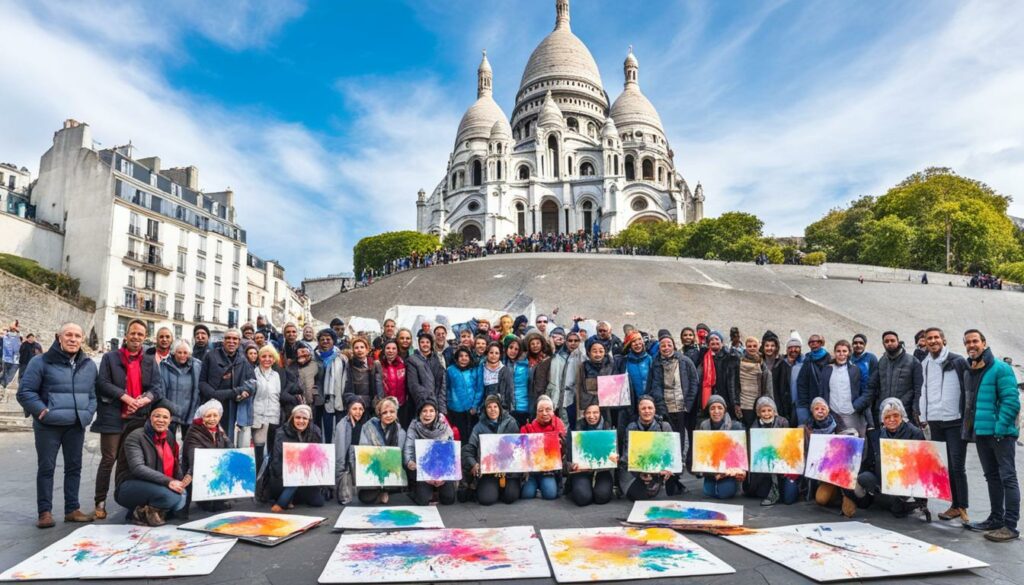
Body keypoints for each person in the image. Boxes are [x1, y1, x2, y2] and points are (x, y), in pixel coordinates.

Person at [17, 322, 97, 528]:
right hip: (48, 426)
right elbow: (25, 392)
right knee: (47, 468)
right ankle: (44, 512)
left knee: (74, 468)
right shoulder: (40, 361)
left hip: (76, 425)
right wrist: (42, 411)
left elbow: (92, 395)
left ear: (82, 340)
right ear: (58, 338)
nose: (73, 339)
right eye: (68, 335)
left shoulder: (88, 365)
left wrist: (87, 414)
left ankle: (72, 509)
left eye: (77, 336)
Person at [92, 318, 163, 521]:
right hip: (113, 416)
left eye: (140, 334)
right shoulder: (110, 357)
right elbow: (103, 383)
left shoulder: (150, 360)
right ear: (126, 335)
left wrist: (143, 400)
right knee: (108, 459)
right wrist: (126, 398)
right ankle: (100, 501)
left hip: (139, 417)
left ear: (145, 338)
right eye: (133, 333)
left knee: (132, 462)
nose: (136, 337)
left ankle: (129, 502)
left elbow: (157, 388)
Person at [961, 329, 1020, 542]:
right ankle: (996, 518)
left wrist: (1000, 428)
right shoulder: (971, 370)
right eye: (968, 342)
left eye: (975, 341)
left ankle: (1011, 525)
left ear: (984, 343)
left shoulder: (1001, 368)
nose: (971, 345)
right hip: (982, 432)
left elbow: (1011, 401)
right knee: (992, 477)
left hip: (1000, 434)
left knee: (1008, 478)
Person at [846, 398, 928, 520]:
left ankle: (903, 503)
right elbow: (870, 461)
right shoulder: (877, 435)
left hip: (906, 481)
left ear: (902, 415)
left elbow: (923, 465)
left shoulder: (915, 433)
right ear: (882, 420)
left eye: (895, 415)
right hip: (884, 479)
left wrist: (922, 497)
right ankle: (890, 501)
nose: (892, 420)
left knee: (896, 509)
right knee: (864, 477)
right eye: (887, 417)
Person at [918, 327, 970, 523]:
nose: (932, 341)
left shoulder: (958, 361)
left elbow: (968, 390)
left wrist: (966, 416)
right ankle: (954, 505)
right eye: (928, 338)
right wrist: (923, 415)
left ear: (943, 340)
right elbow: (924, 390)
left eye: (936, 337)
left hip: (955, 421)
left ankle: (962, 506)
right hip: (935, 420)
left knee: (957, 465)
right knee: (945, 465)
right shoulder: (925, 363)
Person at [113, 400, 189, 526]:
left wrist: (181, 482)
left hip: (155, 482)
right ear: (150, 418)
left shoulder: (169, 435)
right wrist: (169, 481)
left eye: (165, 417)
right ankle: (139, 512)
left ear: (170, 421)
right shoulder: (136, 436)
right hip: (129, 484)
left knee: (182, 497)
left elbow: (174, 463)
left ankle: (151, 510)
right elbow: (138, 468)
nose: (161, 420)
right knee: (171, 497)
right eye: (157, 416)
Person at [647, 330, 696, 495]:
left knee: (680, 444)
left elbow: (694, 382)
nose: (666, 347)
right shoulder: (655, 363)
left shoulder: (685, 361)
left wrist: (688, 404)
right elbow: (654, 385)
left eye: (669, 344)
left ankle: (675, 480)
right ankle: (669, 481)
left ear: (674, 346)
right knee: (667, 445)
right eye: (662, 345)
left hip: (681, 408)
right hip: (664, 409)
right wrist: (660, 407)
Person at [199, 328, 255, 443]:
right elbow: (202, 382)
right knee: (208, 437)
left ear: (239, 341)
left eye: (235, 339)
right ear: (223, 340)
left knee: (226, 439)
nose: (231, 341)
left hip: (232, 406)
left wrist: (244, 392)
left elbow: (253, 382)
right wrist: (213, 394)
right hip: (211, 403)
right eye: (228, 338)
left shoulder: (243, 359)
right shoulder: (211, 356)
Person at [463, 394, 521, 505]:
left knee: (510, 497)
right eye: (489, 407)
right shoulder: (479, 427)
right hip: (489, 472)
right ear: (485, 409)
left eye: (495, 406)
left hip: (508, 471)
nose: (492, 410)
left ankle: (502, 488)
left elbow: (519, 447)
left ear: (500, 408)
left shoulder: (511, 423)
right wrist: (473, 464)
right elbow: (469, 449)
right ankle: (490, 488)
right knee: (486, 500)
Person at [268, 404, 326, 512]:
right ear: (292, 418)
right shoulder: (281, 433)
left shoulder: (315, 432)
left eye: (305, 418)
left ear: (309, 420)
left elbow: (319, 457)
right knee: (292, 483)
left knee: (318, 502)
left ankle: (293, 497)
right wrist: (289, 474)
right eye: (298, 417)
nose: (301, 421)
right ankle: (283, 501)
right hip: (284, 476)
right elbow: (276, 460)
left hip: (307, 475)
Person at [803, 397, 855, 515]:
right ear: (812, 411)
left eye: (823, 408)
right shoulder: (807, 426)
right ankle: (835, 495)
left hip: (840, 470)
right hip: (822, 471)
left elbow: (848, 447)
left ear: (828, 411)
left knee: (849, 509)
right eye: (817, 409)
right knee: (821, 499)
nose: (820, 411)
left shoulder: (837, 423)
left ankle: (845, 495)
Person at [743, 397, 799, 506]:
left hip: (783, 465)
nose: (766, 414)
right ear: (758, 413)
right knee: (760, 492)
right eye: (763, 411)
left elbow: (789, 445)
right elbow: (754, 453)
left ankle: (793, 487)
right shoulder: (754, 427)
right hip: (765, 468)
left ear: (774, 411)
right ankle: (774, 489)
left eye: (769, 410)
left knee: (789, 498)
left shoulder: (783, 422)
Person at [181, 399, 233, 516]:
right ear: (202, 417)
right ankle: (204, 500)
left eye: (215, 415)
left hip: (213, 468)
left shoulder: (218, 430)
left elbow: (230, 446)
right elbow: (195, 459)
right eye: (208, 416)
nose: (212, 419)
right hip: (196, 470)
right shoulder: (194, 432)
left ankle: (216, 501)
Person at [251, 345, 300, 466]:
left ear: (274, 359)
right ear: (259, 358)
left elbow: (278, 395)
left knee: (272, 448)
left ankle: (268, 476)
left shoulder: (276, 375)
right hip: (257, 416)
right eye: (264, 356)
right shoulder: (253, 373)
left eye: (270, 357)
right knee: (259, 448)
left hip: (273, 415)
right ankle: (258, 478)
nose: (267, 359)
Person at [619, 395, 675, 501]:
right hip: (635, 470)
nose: (647, 411)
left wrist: (665, 469)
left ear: (655, 410)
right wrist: (641, 473)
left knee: (654, 494)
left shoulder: (664, 426)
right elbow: (628, 456)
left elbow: (671, 451)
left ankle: (658, 482)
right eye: (643, 408)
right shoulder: (632, 427)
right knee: (638, 496)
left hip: (659, 468)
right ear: (638, 411)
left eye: (650, 408)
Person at [404, 398, 457, 505]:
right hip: (421, 469)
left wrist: (444, 475)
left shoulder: (444, 427)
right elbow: (408, 449)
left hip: (441, 469)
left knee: (449, 499)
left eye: (431, 411)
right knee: (423, 500)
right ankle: (415, 490)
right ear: (419, 413)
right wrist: (410, 462)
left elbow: (451, 452)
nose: (428, 414)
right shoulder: (414, 426)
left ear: (436, 413)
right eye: (424, 411)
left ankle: (435, 490)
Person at [866, 331, 923, 427]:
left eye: (892, 340)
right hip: (886, 412)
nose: (889, 343)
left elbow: (918, 388)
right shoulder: (882, 361)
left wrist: (916, 408)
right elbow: (875, 386)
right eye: (886, 341)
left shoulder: (913, 361)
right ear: (883, 344)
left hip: (905, 411)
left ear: (898, 341)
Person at [356, 397, 407, 504]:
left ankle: (386, 491)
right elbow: (364, 451)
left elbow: (399, 456)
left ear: (396, 413)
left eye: (392, 412)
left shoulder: (400, 432)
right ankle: (381, 492)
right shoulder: (368, 427)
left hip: (390, 472)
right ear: (380, 414)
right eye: (385, 412)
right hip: (374, 469)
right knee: (364, 497)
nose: (389, 415)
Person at [566, 404, 617, 506]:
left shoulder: (608, 430)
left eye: (595, 412)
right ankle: (577, 487)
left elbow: (615, 457)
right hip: (581, 471)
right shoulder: (576, 430)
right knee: (583, 499)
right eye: (588, 413)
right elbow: (567, 458)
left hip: (603, 471)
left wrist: (614, 459)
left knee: (601, 497)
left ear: (600, 414)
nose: (591, 416)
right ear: (584, 414)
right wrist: (571, 465)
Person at [816, 340, 870, 437]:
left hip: (850, 412)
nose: (841, 354)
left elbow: (865, 390)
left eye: (844, 351)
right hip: (833, 412)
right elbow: (822, 390)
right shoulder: (827, 369)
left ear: (849, 352)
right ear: (834, 352)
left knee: (852, 441)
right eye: (838, 351)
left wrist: (856, 405)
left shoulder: (855, 369)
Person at [698, 395, 746, 499]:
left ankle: (734, 484)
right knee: (709, 492)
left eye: (720, 408)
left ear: (724, 410)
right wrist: (713, 474)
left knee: (724, 494)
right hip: (711, 469)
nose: (716, 411)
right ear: (708, 411)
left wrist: (729, 473)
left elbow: (740, 455)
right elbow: (701, 454)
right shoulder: (703, 426)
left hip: (730, 471)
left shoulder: (735, 426)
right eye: (712, 408)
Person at [519, 396, 566, 500]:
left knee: (550, 495)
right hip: (532, 471)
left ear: (553, 411)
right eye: (540, 410)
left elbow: (563, 453)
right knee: (526, 495)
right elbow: (521, 451)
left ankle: (543, 484)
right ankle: (534, 483)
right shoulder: (528, 428)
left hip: (548, 471)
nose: (544, 413)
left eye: (548, 410)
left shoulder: (559, 425)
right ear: (536, 412)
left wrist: (561, 446)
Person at [159, 339, 201, 442]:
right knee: (168, 442)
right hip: (169, 410)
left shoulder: (197, 366)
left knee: (189, 442)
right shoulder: (164, 365)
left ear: (189, 353)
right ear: (174, 352)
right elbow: (161, 389)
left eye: (185, 352)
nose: (182, 355)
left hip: (190, 411)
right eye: (179, 352)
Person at [333, 395, 367, 505]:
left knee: (364, 496)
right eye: (355, 409)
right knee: (345, 499)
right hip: (347, 463)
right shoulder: (342, 426)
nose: (358, 412)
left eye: (361, 409)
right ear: (349, 409)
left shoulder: (366, 424)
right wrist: (340, 473)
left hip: (360, 459)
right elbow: (340, 453)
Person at [446, 347, 482, 443]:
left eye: (466, 356)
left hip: (472, 409)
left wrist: (475, 406)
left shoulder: (475, 369)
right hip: (455, 409)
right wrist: (449, 404)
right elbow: (446, 388)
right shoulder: (450, 370)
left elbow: (479, 388)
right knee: (459, 436)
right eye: (461, 356)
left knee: (471, 435)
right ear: (457, 358)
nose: (464, 358)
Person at [735, 336, 773, 428]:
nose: (752, 348)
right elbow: (735, 383)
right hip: (745, 402)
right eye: (749, 346)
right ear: (745, 347)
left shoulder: (762, 363)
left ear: (759, 346)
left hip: (759, 401)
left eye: (754, 346)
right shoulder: (738, 362)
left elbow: (767, 384)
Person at [406, 332, 447, 416]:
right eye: (422, 342)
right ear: (419, 344)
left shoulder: (436, 359)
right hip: (421, 403)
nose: (425, 344)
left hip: (437, 402)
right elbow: (413, 385)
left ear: (431, 344)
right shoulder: (412, 360)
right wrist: (428, 401)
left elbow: (441, 383)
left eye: (427, 342)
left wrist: (440, 403)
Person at [796, 333, 830, 428]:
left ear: (821, 343)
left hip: (828, 402)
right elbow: (801, 383)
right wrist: (804, 404)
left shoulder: (829, 359)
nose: (814, 344)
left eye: (817, 342)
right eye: (811, 342)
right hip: (811, 402)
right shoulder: (807, 361)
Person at [763, 332, 795, 426]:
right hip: (763, 402)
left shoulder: (782, 364)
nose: (769, 348)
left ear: (776, 347)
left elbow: (786, 388)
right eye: (767, 345)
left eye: (772, 345)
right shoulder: (759, 363)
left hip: (779, 403)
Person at [289, 343, 323, 414]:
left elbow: (320, 382)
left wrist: (317, 396)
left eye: (304, 352)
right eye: (299, 353)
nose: (302, 355)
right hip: (297, 405)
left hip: (314, 404)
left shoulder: (317, 365)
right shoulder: (291, 368)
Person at [504, 338, 531, 425]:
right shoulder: (503, 362)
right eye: (511, 347)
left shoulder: (526, 364)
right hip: (509, 406)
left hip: (524, 406)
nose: (513, 351)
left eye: (516, 349)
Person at [344, 337, 376, 402]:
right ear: (353, 350)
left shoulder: (373, 364)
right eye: (356, 348)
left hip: (370, 401)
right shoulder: (350, 364)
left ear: (367, 350)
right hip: (355, 401)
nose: (359, 350)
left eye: (362, 347)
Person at [784, 333, 805, 424]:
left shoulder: (806, 363)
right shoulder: (782, 363)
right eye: (790, 348)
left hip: (802, 404)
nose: (793, 350)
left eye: (796, 347)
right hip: (786, 403)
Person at [2, 323, 22, 389]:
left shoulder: (18, 338)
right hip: (7, 359)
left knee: (9, 377)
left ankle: (4, 387)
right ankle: (3, 387)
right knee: (5, 375)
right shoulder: (5, 337)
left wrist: (16, 330)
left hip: (15, 360)